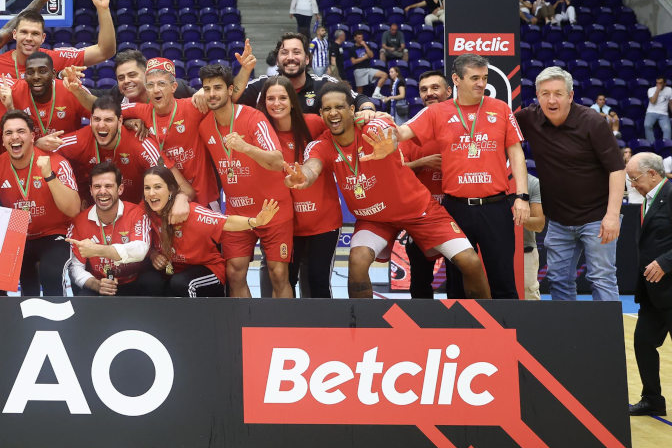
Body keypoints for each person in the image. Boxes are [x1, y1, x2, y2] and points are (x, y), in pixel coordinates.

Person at [285, 82, 491, 299]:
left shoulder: (371, 127)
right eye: (327, 109)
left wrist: (390, 144)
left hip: (417, 210)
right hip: (374, 219)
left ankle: (489, 326)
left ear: (352, 109)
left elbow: (389, 132)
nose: (333, 113)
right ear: (320, 113)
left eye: (339, 107)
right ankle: (364, 328)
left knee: (470, 261)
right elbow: (312, 167)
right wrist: (303, 177)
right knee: (357, 260)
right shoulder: (321, 145)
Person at [395, 54, 530, 299]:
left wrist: (521, 196)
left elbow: (516, 152)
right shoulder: (438, 112)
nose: (482, 83)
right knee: (457, 282)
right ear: (456, 79)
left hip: (496, 206)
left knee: (503, 279)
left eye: (485, 78)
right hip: (456, 209)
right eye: (475, 78)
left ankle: (506, 335)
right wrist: (375, 122)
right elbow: (402, 132)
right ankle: (462, 335)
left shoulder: (500, 108)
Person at [515, 66, 625, 301]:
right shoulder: (528, 118)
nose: (551, 100)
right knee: (558, 280)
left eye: (558, 93)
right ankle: (567, 336)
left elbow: (617, 169)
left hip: (597, 217)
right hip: (559, 220)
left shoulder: (592, 122)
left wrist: (613, 215)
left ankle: (606, 337)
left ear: (571, 96)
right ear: (537, 96)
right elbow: (496, 125)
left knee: (602, 278)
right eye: (545, 94)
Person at [199, 63, 292, 298]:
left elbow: (277, 161)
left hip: (273, 208)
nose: (212, 94)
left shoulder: (254, 118)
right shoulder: (204, 126)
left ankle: (284, 331)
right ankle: (245, 329)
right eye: (207, 88)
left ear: (230, 90)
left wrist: (245, 147)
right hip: (238, 211)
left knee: (278, 273)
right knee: (234, 272)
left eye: (217, 88)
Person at [143, 166, 279, 297]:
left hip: (208, 271)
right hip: (176, 271)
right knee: (152, 283)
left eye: (158, 187)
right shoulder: (145, 212)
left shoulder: (191, 213)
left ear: (171, 190)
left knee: (182, 283)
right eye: (147, 188)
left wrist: (255, 222)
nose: (151, 193)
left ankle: (195, 321)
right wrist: (153, 255)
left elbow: (227, 222)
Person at [262, 76, 341, 297]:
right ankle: (289, 330)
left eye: (282, 97)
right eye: (271, 98)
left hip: (322, 221)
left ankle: (325, 331)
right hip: (285, 223)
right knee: (284, 280)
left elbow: (343, 122)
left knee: (318, 281)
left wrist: (367, 110)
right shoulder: (261, 132)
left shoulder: (314, 123)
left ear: (292, 101)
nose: (276, 103)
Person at [0, 110, 81, 296]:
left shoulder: (56, 162)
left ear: (32, 137)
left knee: (50, 273)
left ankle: (59, 319)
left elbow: (73, 209)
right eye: (8, 133)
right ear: (2, 140)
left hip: (54, 232)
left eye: (21, 131)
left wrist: (49, 176)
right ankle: (5, 322)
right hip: (18, 233)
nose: (15, 137)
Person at [121, 58, 220, 210]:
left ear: (174, 87)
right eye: (150, 85)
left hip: (204, 199)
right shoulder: (141, 111)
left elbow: (227, 96)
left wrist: (206, 90)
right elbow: (106, 112)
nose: (155, 90)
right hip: (167, 202)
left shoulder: (192, 106)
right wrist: (126, 121)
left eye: (161, 84)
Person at [0, 0, 115, 82]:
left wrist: (103, 9)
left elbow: (105, 51)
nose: (29, 38)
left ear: (43, 38)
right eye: (24, 32)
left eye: (35, 34)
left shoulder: (55, 58)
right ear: (14, 34)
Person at [56, 94, 175, 205]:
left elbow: (168, 183)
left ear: (120, 122)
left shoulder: (140, 143)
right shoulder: (82, 139)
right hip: (95, 212)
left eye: (108, 120)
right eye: (97, 119)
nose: (101, 125)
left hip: (135, 212)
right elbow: (47, 151)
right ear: (91, 120)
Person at [65, 161, 162, 296]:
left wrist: (98, 250)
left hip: (133, 281)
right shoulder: (79, 221)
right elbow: (75, 268)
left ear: (120, 189)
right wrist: (96, 284)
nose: (102, 191)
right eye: (97, 186)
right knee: (82, 296)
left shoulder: (137, 213)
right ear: (90, 190)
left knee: (153, 282)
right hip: (101, 284)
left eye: (108, 186)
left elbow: (141, 249)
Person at [398, 70, 451, 298]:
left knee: (459, 279)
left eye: (435, 88)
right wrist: (422, 162)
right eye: (424, 90)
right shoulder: (410, 130)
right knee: (420, 282)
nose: (429, 93)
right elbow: (394, 172)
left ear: (449, 91)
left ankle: (465, 330)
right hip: (422, 217)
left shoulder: (464, 126)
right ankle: (422, 332)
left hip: (458, 213)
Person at [627, 152, 672, 417]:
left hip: (670, 284)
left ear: (653, 174)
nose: (632, 184)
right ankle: (652, 398)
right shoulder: (647, 199)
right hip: (652, 291)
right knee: (643, 343)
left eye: (635, 178)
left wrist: (666, 262)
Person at [241, 32, 372, 114]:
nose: (290, 57)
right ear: (277, 60)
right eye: (284, 53)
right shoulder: (262, 85)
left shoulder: (323, 84)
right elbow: (230, 98)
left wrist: (368, 110)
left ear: (307, 59)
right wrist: (244, 70)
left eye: (297, 52)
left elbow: (359, 98)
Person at [0, 51, 90, 144]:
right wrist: (10, 108)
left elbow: (100, 112)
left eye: (42, 71)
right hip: (30, 154)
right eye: (30, 72)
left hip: (67, 154)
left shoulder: (71, 90)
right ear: (25, 76)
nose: (36, 77)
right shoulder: (15, 89)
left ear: (54, 74)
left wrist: (79, 92)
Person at [522, 176, 545, 301]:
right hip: (491, 250)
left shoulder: (532, 182)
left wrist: (514, 216)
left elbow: (539, 224)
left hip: (525, 250)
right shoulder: (487, 178)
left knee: (529, 298)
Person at [645, 77, 672, 143]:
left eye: (660, 83)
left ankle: (665, 145)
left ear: (665, 84)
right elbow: (653, 101)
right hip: (651, 112)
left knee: (667, 129)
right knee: (647, 125)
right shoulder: (651, 90)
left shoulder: (670, 90)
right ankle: (652, 144)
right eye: (657, 83)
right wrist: (657, 90)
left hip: (664, 114)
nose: (658, 84)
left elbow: (670, 103)